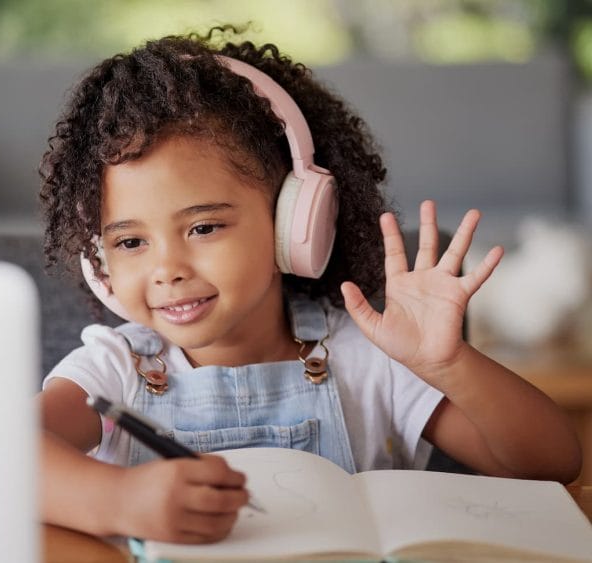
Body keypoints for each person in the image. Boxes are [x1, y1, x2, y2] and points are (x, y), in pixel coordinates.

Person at [36, 27, 581, 544]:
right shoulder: (115, 368)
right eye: (131, 242)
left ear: (294, 227)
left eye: (203, 227)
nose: (167, 268)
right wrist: (121, 499)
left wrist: (449, 365)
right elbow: (0, 453)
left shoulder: (366, 359)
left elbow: (547, 465)